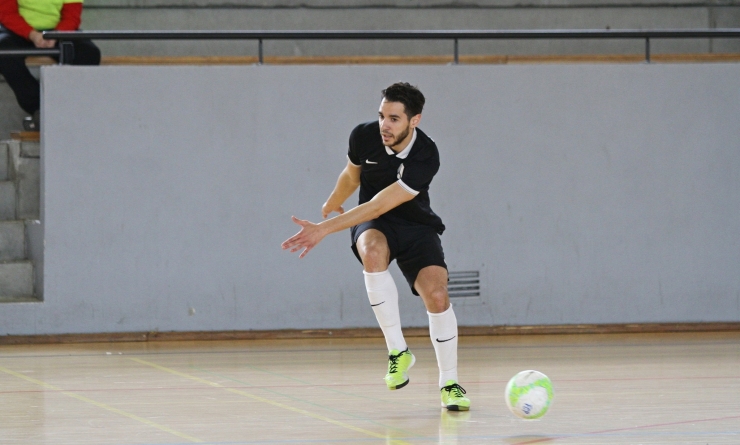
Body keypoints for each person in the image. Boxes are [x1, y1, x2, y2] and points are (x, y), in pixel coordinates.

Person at [281, 82, 471, 411]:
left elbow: (380, 204)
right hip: (374, 226)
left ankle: (450, 383)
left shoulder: (426, 155)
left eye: (394, 118)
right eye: (382, 115)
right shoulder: (363, 136)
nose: (385, 124)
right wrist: (333, 200)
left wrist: (322, 230)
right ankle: (398, 351)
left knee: (438, 297)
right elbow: (352, 175)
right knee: (371, 251)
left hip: (414, 225)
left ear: (415, 121)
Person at [0, 0, 100, 131]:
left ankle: (61, 104)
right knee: (3, 51)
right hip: (16, 30)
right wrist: (32, 34)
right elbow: (6, 13)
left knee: (89, 53)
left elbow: (72, 14)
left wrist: (56, 35)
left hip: (58, 31)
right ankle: (38, 107)